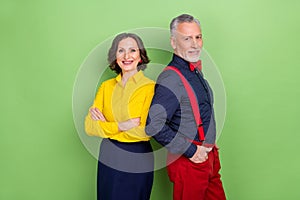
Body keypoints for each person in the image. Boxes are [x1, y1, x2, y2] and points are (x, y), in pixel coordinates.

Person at [145, 14, 226, 200]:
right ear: (174, 43)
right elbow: (154, 125)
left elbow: (198, 111)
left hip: (209, 159)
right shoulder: (171, 78)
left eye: (198, 37)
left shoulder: (195, 71)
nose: (194, 44)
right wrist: (192, 151)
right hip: (189, 162)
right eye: (187, 38)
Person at [85, 33, 155, 200]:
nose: (126, 56)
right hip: (109, 154)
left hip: (137, 156)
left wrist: (106, 125)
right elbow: (89, 126)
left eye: (132, 50)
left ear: (140, 56)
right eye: (121, 50)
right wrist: (122, 125)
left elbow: (146, 131)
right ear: (114, 56)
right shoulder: (106, 87)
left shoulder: (150, 88)